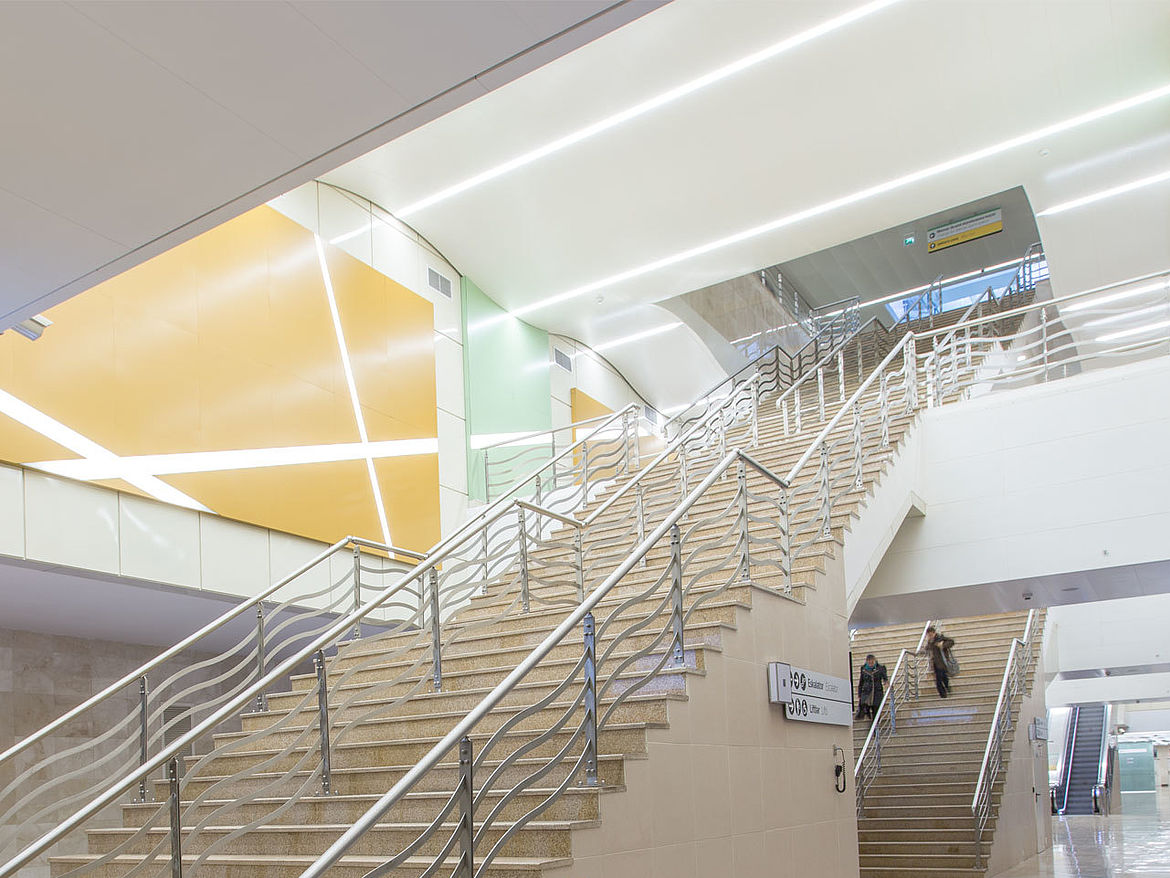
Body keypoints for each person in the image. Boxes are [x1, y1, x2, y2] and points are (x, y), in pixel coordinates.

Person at [922, 626, 956, 698]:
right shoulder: (930, 641)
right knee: (939, 678)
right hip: (935, 663)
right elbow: (927, 648)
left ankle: (945, 690)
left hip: (942, 662)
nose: (930, 636)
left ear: (934, 633)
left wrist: (943, 645)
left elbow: (951, 642)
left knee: (941, 677)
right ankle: (943, 694)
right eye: (928, 635)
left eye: (931, 634)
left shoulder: (940, 638)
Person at [855, 654, 888, 722]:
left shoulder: (881, 668)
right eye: (869, 661)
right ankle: (867, 714)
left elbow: (885, 678)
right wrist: (859, 692)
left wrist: (886, 683)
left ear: (874, 661)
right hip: (866, 691)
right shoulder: (863, 669)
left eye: (872, 661)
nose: (870, 663)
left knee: (876, 708)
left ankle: (875, 724)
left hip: (877, 691)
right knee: (864, 704)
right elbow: (861, 681)